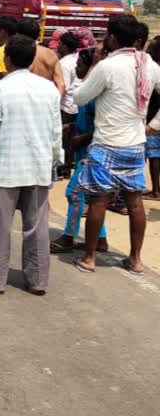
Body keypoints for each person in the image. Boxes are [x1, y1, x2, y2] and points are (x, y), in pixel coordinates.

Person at [0, 34, 63, 295]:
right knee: (37, 227)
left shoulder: (1, 89)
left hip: (5, 169)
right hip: (38, 167)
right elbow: (56, 133)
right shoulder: (48, 89)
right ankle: (37, 281)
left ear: (7, 59)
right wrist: (55, 161)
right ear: (33, 58)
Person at [72, 16, 160, 276]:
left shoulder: (107, 66)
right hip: (135, 143)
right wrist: (153, 124)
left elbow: (79, 97)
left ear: (112, 38)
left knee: (99, 200)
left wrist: (95, 64)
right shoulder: (149, 64)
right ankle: (135, 259)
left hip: (107, 143)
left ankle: (89, 258)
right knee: (134, 202)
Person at [49, 49, 109, 253]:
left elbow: (103, 125)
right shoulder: (88, 90)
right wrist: (73, 125)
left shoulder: (95, 93)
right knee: (92, 196)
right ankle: (101, 239)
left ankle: (68, 236)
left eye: (81, 66)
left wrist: (83, 137)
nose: (77, 69)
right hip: (84, 150)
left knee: (74, 193)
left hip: (93, 151)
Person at [17, 18, 64, 96]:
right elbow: (61, 84)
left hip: (22, 100)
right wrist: (55, 105)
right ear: (38, 35)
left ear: (19, 34)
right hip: (44, 100)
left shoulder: (16, 52)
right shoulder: (50, 54)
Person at [58, 32, 81, 177]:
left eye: (60, 44)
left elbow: (64, 86)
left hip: (67, 104)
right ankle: (70, 164)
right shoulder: (77, 59)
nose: (58, 46)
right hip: (77, 103)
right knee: (72, 137)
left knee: (64, 139)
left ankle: (63, 167)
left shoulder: (64, 63)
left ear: (65, 46)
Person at [144, 36, 160, 200]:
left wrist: (153, 124)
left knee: (154, 156)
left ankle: (156, 190)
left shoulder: (155, 71)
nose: (147, 51)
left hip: (154, 121)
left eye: (151, 49)